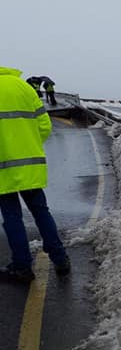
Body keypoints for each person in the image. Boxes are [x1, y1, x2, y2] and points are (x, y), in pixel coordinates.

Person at [0, 66, 70, 282]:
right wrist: (29, 146)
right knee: (41, 211)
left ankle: (22, 266)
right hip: (31, 164)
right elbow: (44, 125)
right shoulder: (25, 87)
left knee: (12, 217)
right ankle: (60, 259)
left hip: (3, 168)